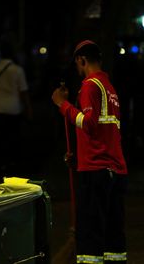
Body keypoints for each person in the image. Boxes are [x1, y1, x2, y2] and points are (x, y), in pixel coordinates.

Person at [52, 40, 128, 264]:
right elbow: (107, 132)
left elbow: (89, 124)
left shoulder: (89, 85)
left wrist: (62, 105)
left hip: (96, 171)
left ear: (81, 60)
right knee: (113, 234)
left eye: (77, 63)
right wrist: (78, 154)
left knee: (90, 234)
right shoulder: (110, 88)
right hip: (115, 169)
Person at [0, 42, 33, 173]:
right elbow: (23, 91)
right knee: (14, 136)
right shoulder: (18, 70)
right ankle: (13, 162)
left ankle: (2, 163)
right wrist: (28, 108)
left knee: (0, 137)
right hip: (14, 108)